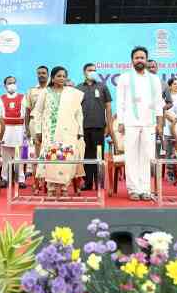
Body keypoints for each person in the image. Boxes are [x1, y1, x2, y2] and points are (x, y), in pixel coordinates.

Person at [116, 46, 164, 201]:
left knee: (146, 156)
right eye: (137, 58)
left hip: (149, 123)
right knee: (131, 157)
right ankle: (133, 189)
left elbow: (158, 103)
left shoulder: (154, 79)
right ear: (132, 60)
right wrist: (121, 122)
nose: (139, 60)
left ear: (146, 60)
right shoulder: (124, 78)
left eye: (142, 58)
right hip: (130, 123)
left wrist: (160, 123)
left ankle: (145, 189)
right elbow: (120, 101)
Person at [33, 66, 85, 196]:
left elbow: (79, 113)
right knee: (51, 159)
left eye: (64, 76)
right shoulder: (45, 92)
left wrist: (80, 130)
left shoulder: (72, 93)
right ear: (53, 77)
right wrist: (38, 130)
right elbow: (38, 112)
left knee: (65, 158)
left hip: (68, 132)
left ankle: (64, 188)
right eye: (59, 76)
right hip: (49, 131)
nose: (61, 78)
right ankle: (50, 188)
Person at [76, 63, 113, 190]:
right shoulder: (78, 88)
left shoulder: (103, 87)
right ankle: (87, 183)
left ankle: (99, 181)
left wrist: (108, 125)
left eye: (94, 70)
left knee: (98, 155)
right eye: (89, 70)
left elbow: (108, 107)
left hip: (99, 127)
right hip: (83, 127)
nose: (92, 72)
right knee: (86, 155)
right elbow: (75, 109)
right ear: (84, 72)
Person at [0, 76, 27, 189]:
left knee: (18, 156)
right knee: (5, 157)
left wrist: (25, 131)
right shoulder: (1, 98)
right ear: (5, 85)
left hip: (19, 129)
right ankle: (5, 178)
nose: (12, 85)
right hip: (6, 130)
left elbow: (25, 115)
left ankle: (20, 179)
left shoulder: (22, 97)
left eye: (14, 82)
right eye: (9, 83)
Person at [25, 66, 50, 153]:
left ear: (48, 74)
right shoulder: (31, 91)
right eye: (39, 73)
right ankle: (37, 166)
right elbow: (27, 111)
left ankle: (48, 167)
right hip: (34, 122)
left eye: (43, 73)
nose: (41, 75)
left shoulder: (52, 90)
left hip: (49, 122)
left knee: (49, 147)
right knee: (37, 146)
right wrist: (27, 128)